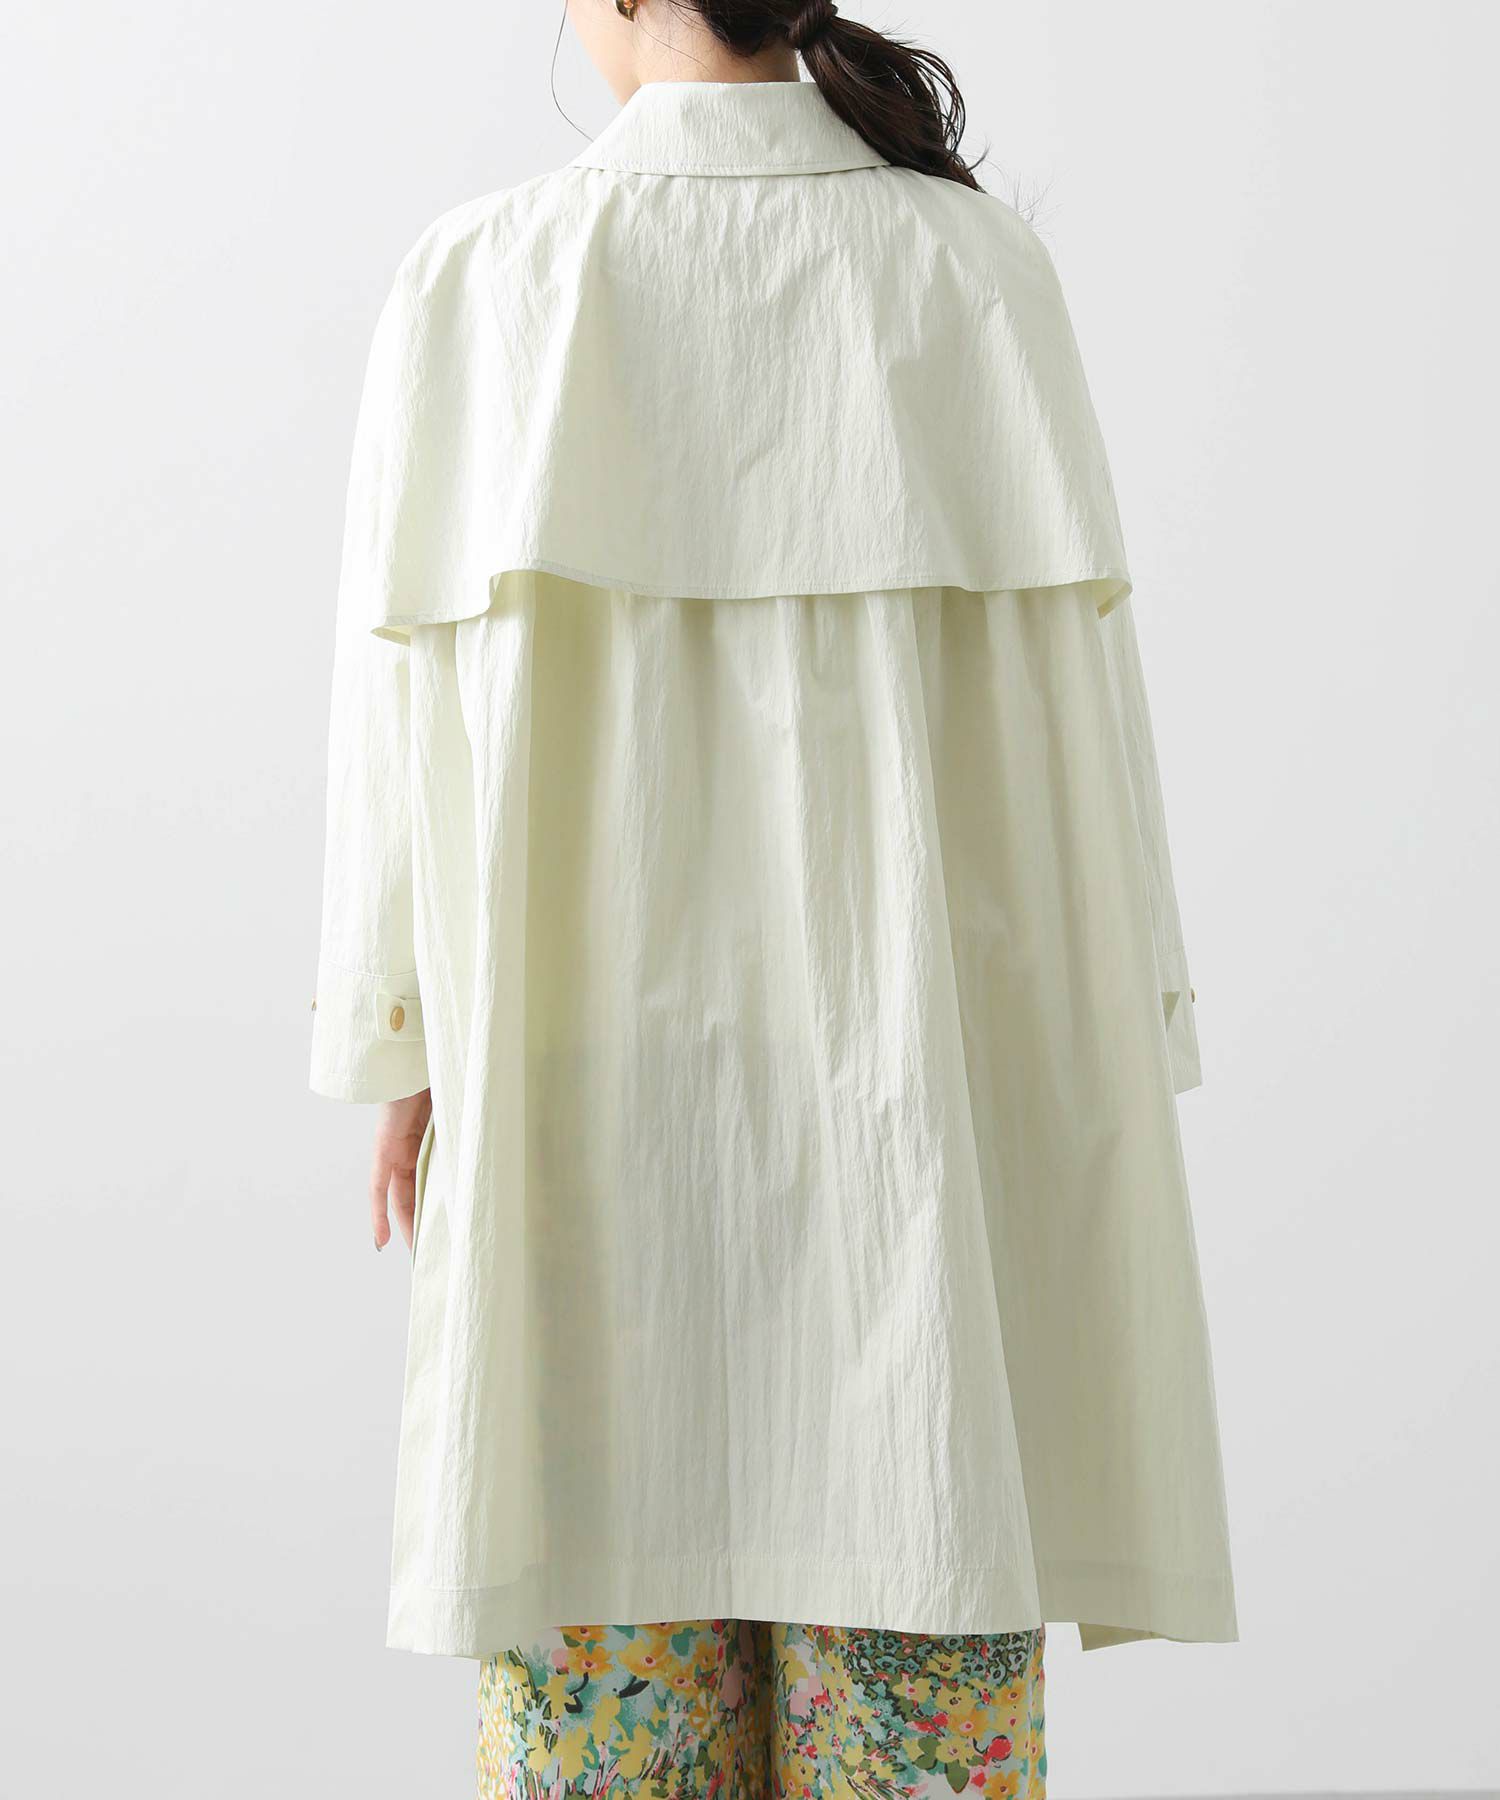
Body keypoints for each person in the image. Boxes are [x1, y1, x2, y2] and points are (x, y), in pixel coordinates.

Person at [310, 2, 1237, 1792]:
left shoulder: (482, 279)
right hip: (921, 1162)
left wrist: (398, 1038)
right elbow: (1080, 738)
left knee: (601, 1710)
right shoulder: (971, 269)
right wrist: (1124, 1042)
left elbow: (399, 724)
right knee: (918, 1654)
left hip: (582, 1169)